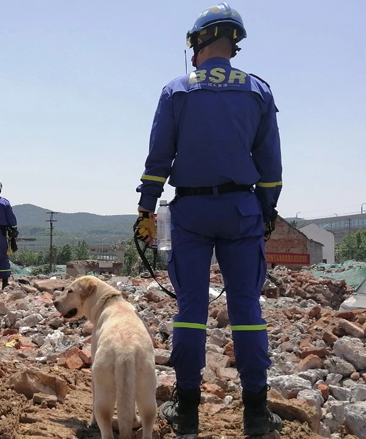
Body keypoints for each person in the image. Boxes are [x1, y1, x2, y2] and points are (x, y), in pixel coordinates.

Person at [133, 3, 283, 436]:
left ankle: (189, 414)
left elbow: (159, 159)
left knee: (191, 311)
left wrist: (146, 210)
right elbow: (269, 163)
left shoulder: (177, 90)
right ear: (234, 43)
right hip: (242, 210)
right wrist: (267, 209)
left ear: (197, 41)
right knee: (247, 310)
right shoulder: (258, 91)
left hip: (192, 214)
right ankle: (255, 413)